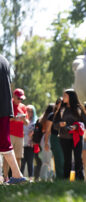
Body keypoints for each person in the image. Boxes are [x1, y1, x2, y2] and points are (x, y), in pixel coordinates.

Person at [0, 54, 27, 184]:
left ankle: (17, 175)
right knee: (4, 143)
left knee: (4, 144)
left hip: (1, 107)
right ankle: (16, 175)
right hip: (4, 106)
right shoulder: (4, 59)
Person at [53, 89, 86, 180]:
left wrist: (76, 127)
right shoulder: (61, 109)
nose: (63, 97)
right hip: (64, 138)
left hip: (77, 137)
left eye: (65, 96)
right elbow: (55, 125)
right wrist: (59, 124)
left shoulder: (79, 109)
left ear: (71, 97)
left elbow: (85, 123)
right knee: (67, 160)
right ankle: (66, 179)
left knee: (78, 159)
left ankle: (80, 179)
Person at [44, 97, 64, 179]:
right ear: (57, 105)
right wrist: (46, 143)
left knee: (64, 158)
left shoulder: (67, 115)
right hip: (55, 138)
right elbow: (48, 130)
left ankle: (63, 177)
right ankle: (59, 178)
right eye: (60, 104)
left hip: (65, 138)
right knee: (58, 158)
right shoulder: (52, 116)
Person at [21, 105, 38, 178]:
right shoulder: (22, 119)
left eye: (31, 111)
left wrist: (34, 133)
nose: (29, 113)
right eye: (28, 111)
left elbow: (38, 131)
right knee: (22, 162)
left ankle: (31, 177)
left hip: (30, 144)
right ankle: (20, 177)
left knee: (30, 162)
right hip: (22, 143)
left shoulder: (35, 121)